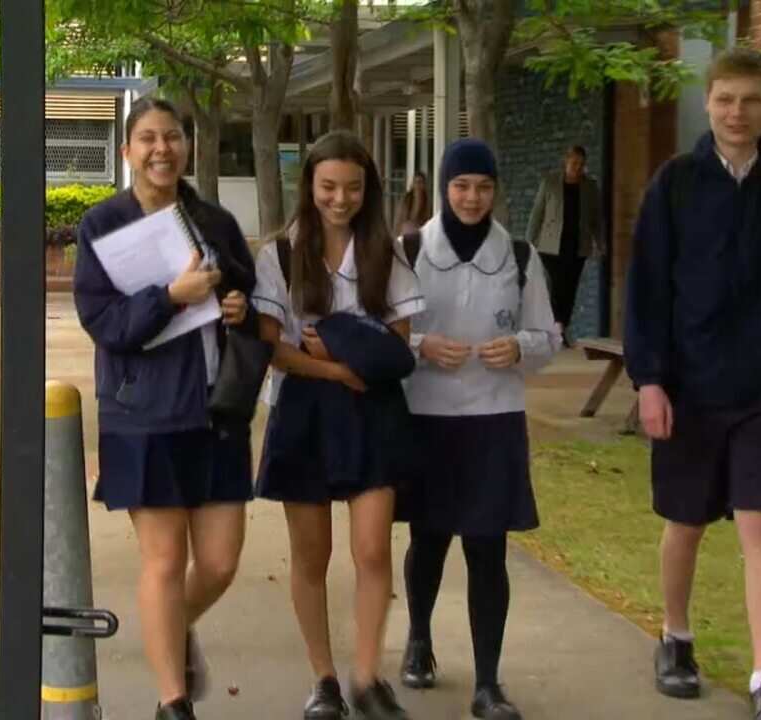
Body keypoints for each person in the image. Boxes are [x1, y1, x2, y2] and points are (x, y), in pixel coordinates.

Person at [623, 48, 761, 720]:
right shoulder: (676, 184)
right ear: (708, 102)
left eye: (750, 101)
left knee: (757, 527)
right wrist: (649, 380)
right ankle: (675, 638)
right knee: (685, 524)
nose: (737, 113)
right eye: (725, 100)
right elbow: (647, 289)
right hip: (687, 390)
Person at [73, 96, 258, 720]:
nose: (162, 149)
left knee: (221, 562)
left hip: (216, 409)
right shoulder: (103, 225)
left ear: (186, 146)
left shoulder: (214, 221)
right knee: (163, 559)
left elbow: (246, 294)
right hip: (142, 412)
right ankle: (171, 701)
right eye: (148, 138)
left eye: (173, 137)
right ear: (127, 151)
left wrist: (237, 309)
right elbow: (105, 323)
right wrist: (171, 297)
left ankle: (170, 629)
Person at [252, 130, 424, 720]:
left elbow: (400, 344)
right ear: (310, 186)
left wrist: (349, 363)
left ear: (368, 188)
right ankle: (323, 678)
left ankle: (367, 675)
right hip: (304, 410)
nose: (340, 198)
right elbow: (273, 349)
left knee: (373, 549)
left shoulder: (388, 251)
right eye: (328, 186)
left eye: (352, 187)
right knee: (311, 555)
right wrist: (340, 371)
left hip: (374, 412)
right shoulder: (278, 254)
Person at [395, 138, 560, 720]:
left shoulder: (519, 256)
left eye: (483, 187)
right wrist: (420, 345)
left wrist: (519, 346)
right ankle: (419, 639)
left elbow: (548, 337)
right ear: (444, 187)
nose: (471, 197)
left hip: (494, 420)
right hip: (426, 419)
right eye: (462, 185)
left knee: (488, 550)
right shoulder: (408, 249)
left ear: (496, 192)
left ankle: (488, 683)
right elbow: (379, 331)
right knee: (429, 539)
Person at [526, 144, 604, 347]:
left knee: (570, 288)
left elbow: (596, 219)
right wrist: (529, 241)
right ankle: (556, 327)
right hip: (550, 245)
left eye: (581, 164)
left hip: (577, 246)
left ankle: (560, 327)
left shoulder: (590, 186)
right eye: (574, 163)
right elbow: (537, 213)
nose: (577, 167)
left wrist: (600, 243)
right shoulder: (550, 182)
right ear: (566, 161)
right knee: (555, 285)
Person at [393, 171, 432, 236]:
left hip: (419, 235)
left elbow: (428, 222)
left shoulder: (427, 202)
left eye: (420, 182)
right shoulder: (406, 199)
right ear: (412, 184)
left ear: (424, 185)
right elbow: (399, 218)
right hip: (405, 233)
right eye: (416, 182)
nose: (418, 185)